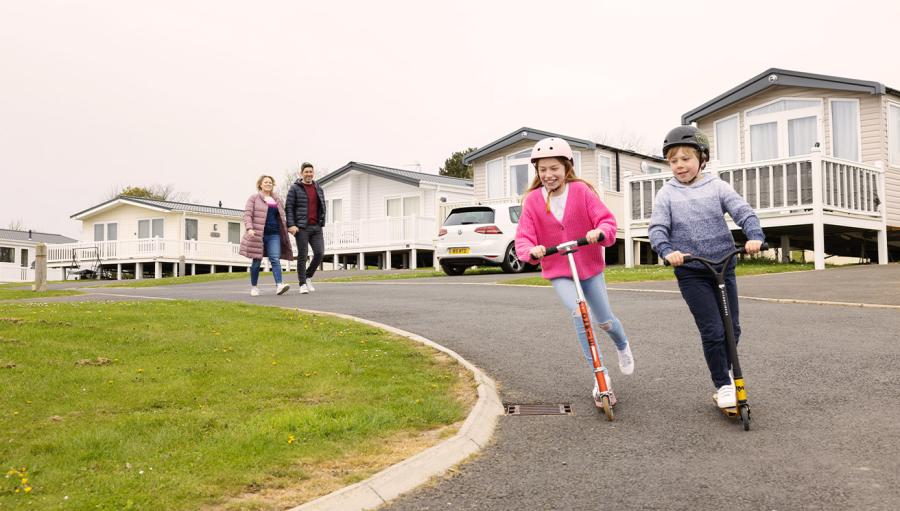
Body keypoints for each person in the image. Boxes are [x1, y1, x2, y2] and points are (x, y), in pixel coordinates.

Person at [648, 125, 765, 409]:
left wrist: (755, 236)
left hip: (724, 265)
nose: (679, 165)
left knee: (732, 329)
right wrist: (668, 251)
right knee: (712, 329)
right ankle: (724, 384)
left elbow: (743, 211)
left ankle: (724, 370)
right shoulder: (667, 194)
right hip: (691, 270)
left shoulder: (717, 186)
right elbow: (657, 229)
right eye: (673, 160)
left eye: (685, 158)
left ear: (702, 158)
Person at [515, 137, 634, 405]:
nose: (548, 175)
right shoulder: (533, 201)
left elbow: (606, 220)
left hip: (588, 266)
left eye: (554, 168)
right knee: (580, 315)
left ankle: (622, 345)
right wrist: (530, 251)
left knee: (604, 321)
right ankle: (600, 377)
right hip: (559, 269)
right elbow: (523, 236)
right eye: (542, 169)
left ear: (567, 167)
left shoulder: (581, 191)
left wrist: (599, 231)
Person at [239, 175, 293, 296]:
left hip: (274, 234)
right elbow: (247, 214)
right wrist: (249, 228)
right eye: (266, 182)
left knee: (275, 258)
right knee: (257, 261)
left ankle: (279, 285)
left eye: (270, 182)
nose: (268, 184)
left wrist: (288, 227)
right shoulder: (254, 198)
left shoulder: (277, 199)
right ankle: (254, 287)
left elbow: (282, 217)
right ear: (260, 185)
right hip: (258, 233)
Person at [286, 162, 326, 294]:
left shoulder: (318, 188)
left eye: (311, 172)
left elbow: (322, 206)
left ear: (313, 173)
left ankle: (308, 276)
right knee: (303, 255)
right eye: (306, 172)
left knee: (319, 253)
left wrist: (321, 220)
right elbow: (289, 208)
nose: (309, 174)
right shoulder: (295, 188)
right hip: (301, 227)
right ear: (301, 173)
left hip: (316, 227)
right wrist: (291, 225)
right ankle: (302, 284)